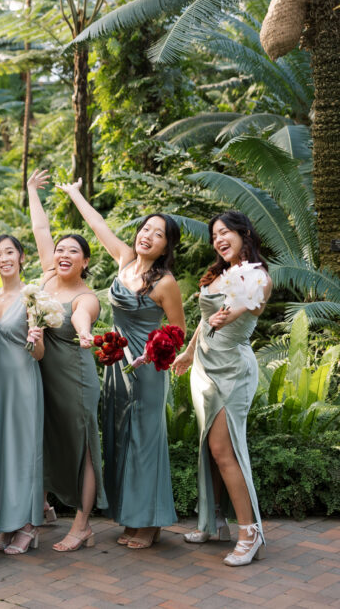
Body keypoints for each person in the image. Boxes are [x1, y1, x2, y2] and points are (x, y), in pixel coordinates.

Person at [57, 179, 184, 549]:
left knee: (145, 441)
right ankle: (133, 517)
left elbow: (177, 332)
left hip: (146, 368)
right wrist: (75, 193)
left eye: (158, 234)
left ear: (165, 246)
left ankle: (149, 522)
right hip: (116, 365)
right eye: (146, 229)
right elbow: (98, 226)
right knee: (120, 439)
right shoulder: (125, 260)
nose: (148, 236)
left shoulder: (166, 282)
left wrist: (155, 354)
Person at [171, 211, 271, 567]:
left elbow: (252, 303)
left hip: (232, 370)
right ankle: (213, 521)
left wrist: (231, 312)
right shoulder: (218, 274)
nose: (219, 239)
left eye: (225, 232)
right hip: (204, 368)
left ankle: (250, 531)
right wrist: (187, 351)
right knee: (210, 448)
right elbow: (203, 319)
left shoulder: (257, 275)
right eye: (215, 235)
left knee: (223, 449)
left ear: (245, 233)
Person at [26, 170, 106, 552]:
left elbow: (79, 317)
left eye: (73, 251)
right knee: (45, 438)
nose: (62, 254)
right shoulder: (44, 279)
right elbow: (41, 230)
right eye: (60, 249)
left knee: (83, 446)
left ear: (85, 261)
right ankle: (41, 508)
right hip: (41, 376)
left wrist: (86, 332)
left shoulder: (85, 296)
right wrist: (32, 192)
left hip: (75, 381)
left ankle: (83, 524)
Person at [0, 235, 46, 555]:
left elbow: (39, 354)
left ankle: (28, 524)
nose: (4, 258)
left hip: (22, 380)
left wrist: (36, 339)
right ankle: (5, 522)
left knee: (23, 450)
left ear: (22, 257)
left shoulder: (32, 296)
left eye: (10, 252)